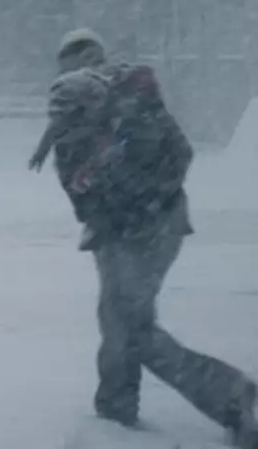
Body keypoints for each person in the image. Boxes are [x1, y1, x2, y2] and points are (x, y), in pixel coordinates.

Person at [30, 29, 258, 446]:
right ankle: (115, 407)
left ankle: (227, 392)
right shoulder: (128, 98)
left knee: (132, 328)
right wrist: (151, 199)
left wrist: (129, 203)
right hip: (154, 223)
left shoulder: (87, 104)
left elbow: (82, 185)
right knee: (118, 319)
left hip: (134, 229)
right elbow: (180, 152)